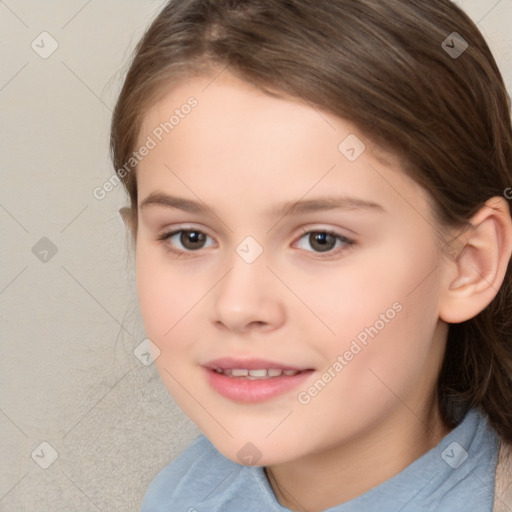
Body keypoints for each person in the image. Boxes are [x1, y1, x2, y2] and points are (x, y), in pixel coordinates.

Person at [109, 1, 512, 510]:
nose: (237, 306)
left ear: (469, 264)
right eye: (190, 237)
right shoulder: (181, 495)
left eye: (322, 239)